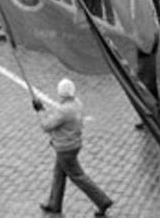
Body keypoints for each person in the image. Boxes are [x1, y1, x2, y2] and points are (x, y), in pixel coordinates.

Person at [35, 79, 114, 217]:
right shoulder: (76, 103)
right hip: (73, 145)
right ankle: (54, 204)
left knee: (78, 176)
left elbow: (46, 126)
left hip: (64, 149)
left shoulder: (64, 110)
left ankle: (102, 201)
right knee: (58, 175)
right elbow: (59, 118)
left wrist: (40, 111)